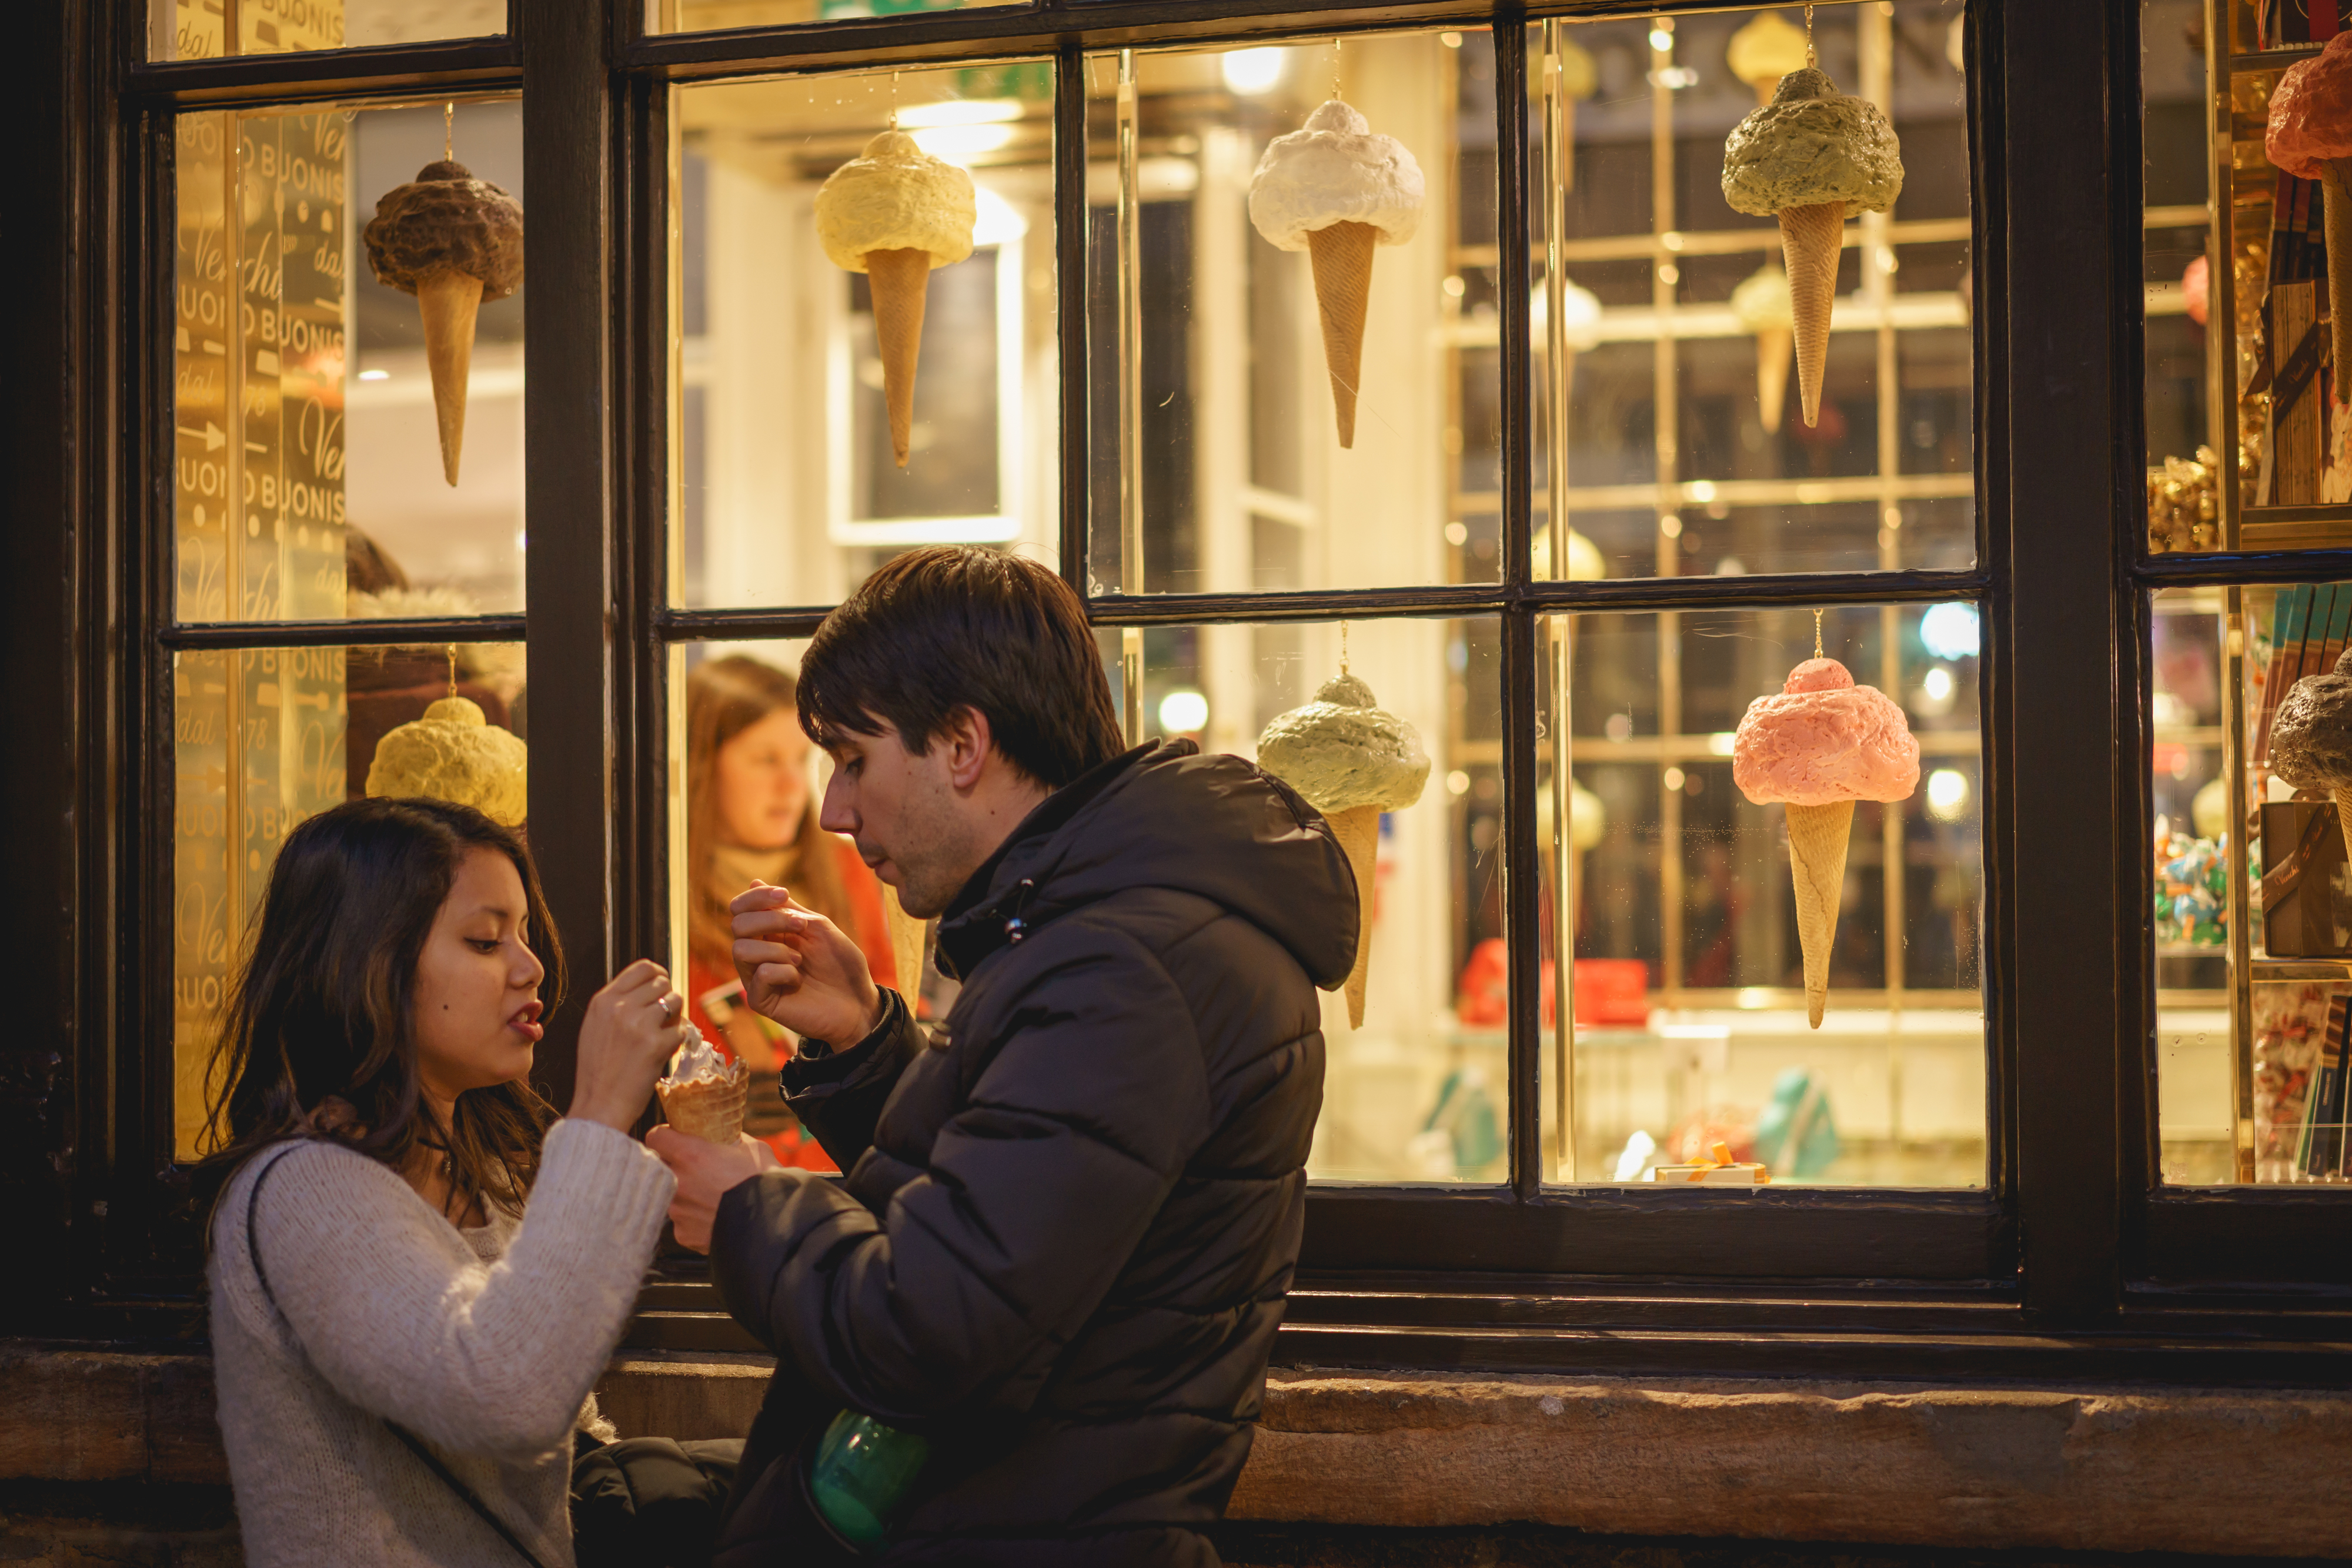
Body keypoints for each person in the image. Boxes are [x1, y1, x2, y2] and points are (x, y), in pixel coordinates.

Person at [647, 547, 1358, 1567]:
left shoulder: (1119, 965)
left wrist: (748, 1211)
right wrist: (863, 1039)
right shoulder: (1115, 935)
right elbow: (1037, 1199)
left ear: (963, 743)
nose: (834, 812)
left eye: (853, 759)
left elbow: (932, 1331)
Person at [202, 796, 689, 1568]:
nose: (530, 966)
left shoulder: (487, 1160)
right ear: (369, 961)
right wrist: (600, 1111)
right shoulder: (303, 1189)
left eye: (524, 933)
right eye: (485, 939)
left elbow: (556, 1423)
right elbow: (506, 1393)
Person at [683, 654, 898, 1169]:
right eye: (765, 759)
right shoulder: (666, 886)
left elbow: (894, 1005)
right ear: (701, 763)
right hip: (725, 1174)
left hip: (852, 1170)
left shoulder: (852, 872)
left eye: (800, 762)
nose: (791, 786)